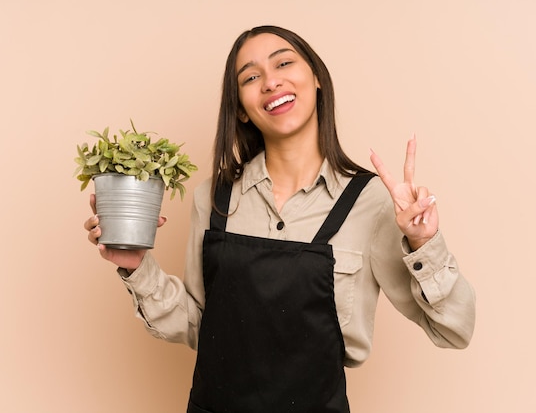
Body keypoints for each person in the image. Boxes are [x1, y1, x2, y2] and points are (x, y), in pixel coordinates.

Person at [84, 25, 475, 413]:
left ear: (317, 78)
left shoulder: (371, 202)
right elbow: (199, 328)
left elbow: (454, 329)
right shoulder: (214, 198)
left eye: (283, 63)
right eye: (251, 77)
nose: (271, 82)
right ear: (240, 107)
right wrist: (137, 267)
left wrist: (424, 243)